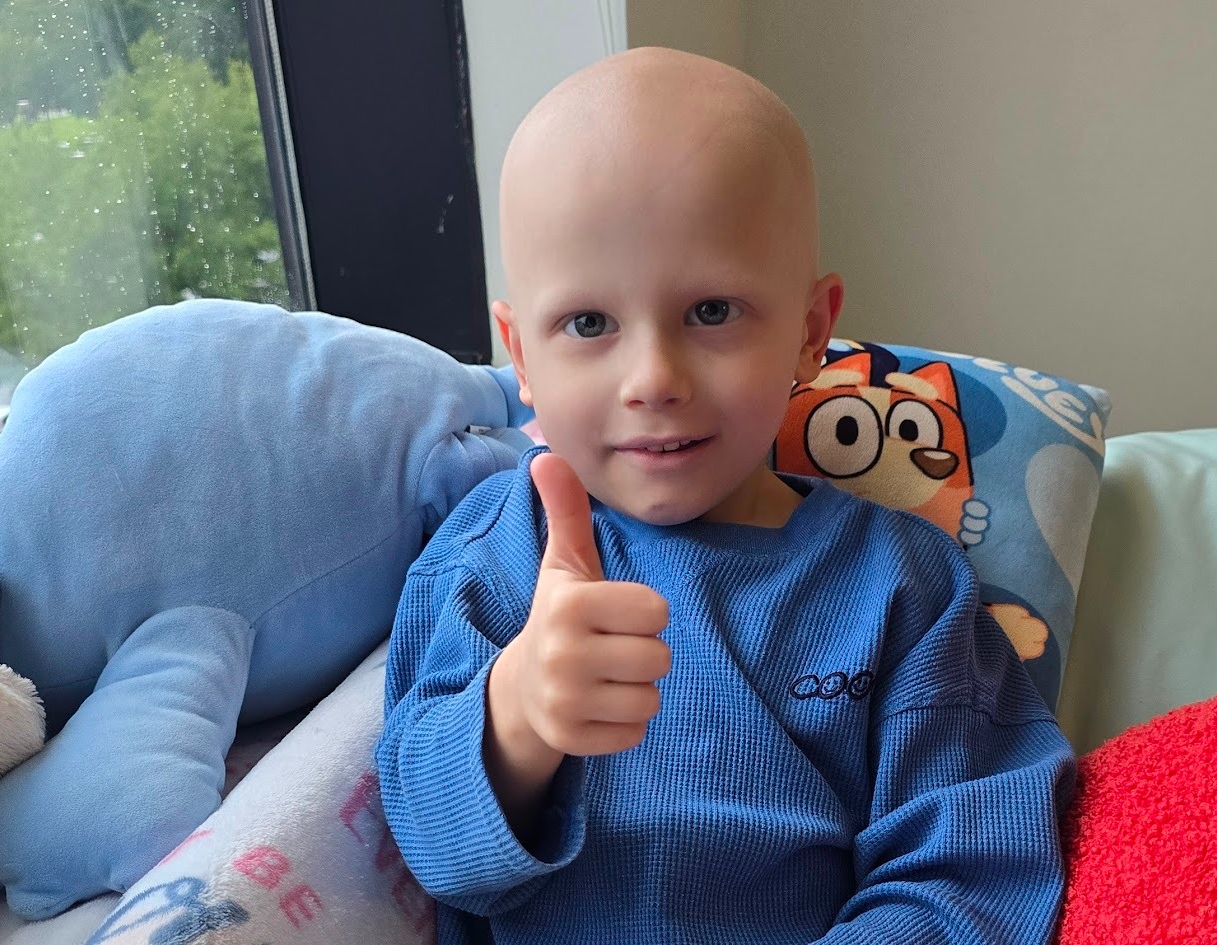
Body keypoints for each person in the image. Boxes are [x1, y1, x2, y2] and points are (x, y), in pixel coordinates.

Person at [375, 46, 1074, 944]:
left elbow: (973, 868)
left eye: (711, 312)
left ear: (810, 330)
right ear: (522, 356)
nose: (653, 379)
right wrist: (517, 715)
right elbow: (429, 851)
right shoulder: (490, 553)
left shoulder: (903, 585)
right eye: (587, 323)